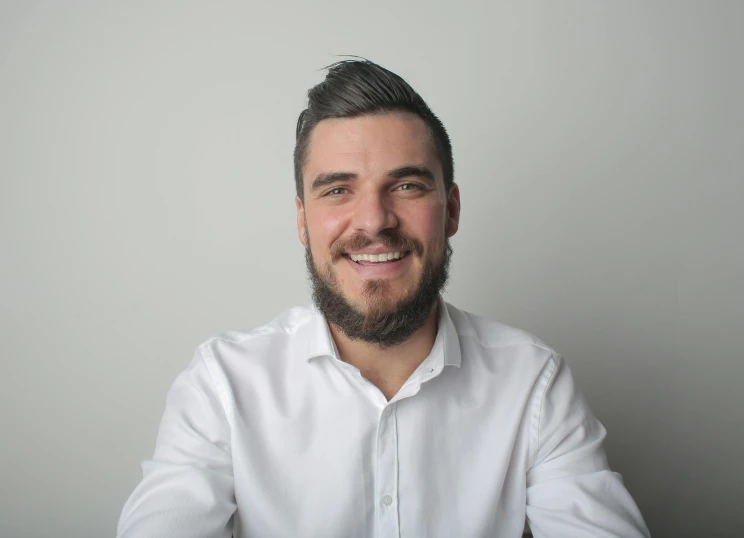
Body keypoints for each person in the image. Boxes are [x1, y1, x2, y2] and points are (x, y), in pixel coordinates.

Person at [117, 59, 649, 538]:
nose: (374, 221)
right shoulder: (223, 385)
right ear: (303, 219)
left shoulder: (534, 384)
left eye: (408, 186)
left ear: (452, 210)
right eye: (337, 190)